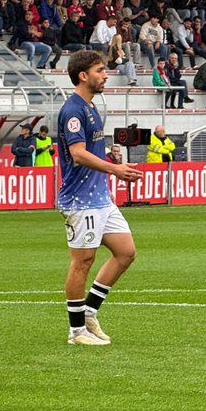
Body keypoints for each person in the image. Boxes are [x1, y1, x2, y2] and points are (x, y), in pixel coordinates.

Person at [58, 50, 142, 346]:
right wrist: (114, 169)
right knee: (83, 262)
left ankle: (89, 312)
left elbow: (90, 150)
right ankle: (76, 331)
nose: (106, 75)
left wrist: (110, 159)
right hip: (80, 201)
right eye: (99, 70)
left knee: (126, 252)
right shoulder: (73, 111)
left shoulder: (91, 106)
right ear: (83, 76)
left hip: (100, 198)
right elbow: (78, 154)